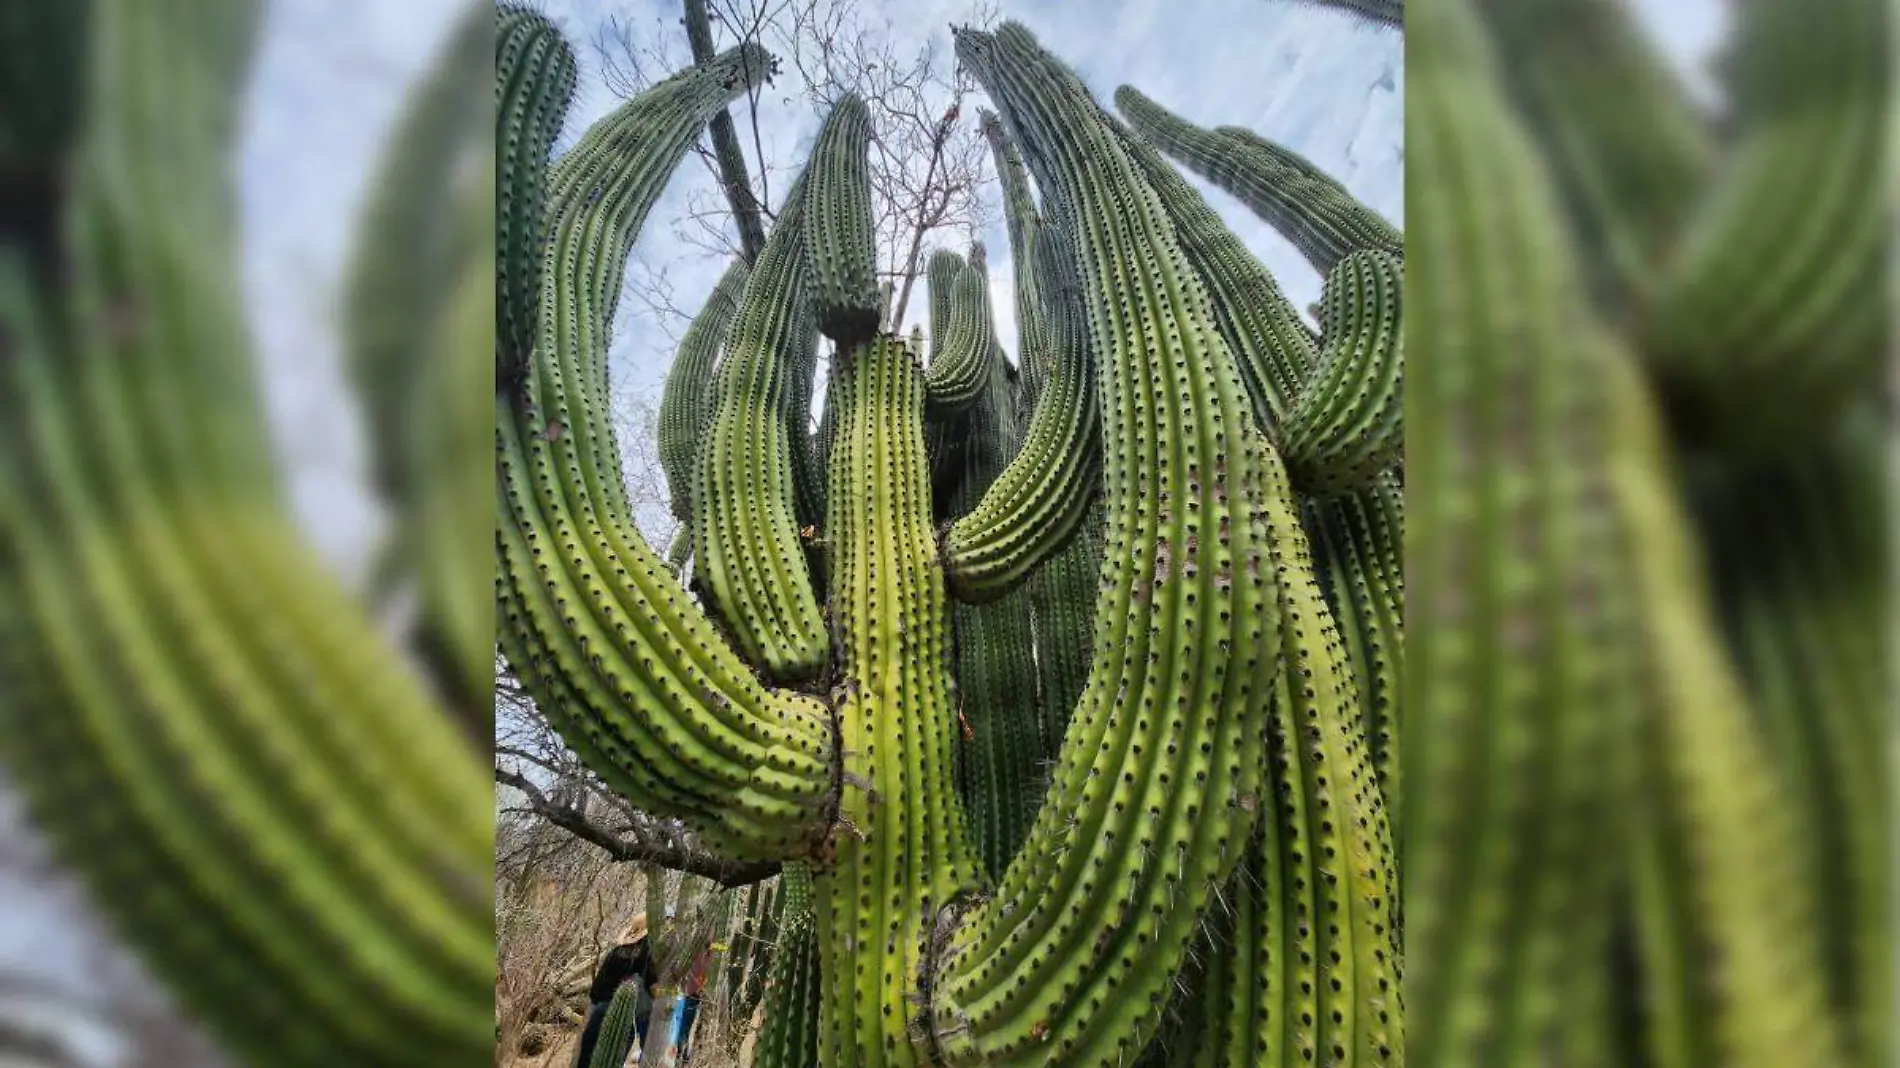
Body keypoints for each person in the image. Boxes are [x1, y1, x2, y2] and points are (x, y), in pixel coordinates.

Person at [573, 915, 654, 1068]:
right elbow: (651, 982)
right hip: (624, 1015)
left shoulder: (616, 951)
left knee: (588, 1056)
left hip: (601, 1008)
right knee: (614, 1059)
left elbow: (596, 989)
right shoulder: (646, 952)